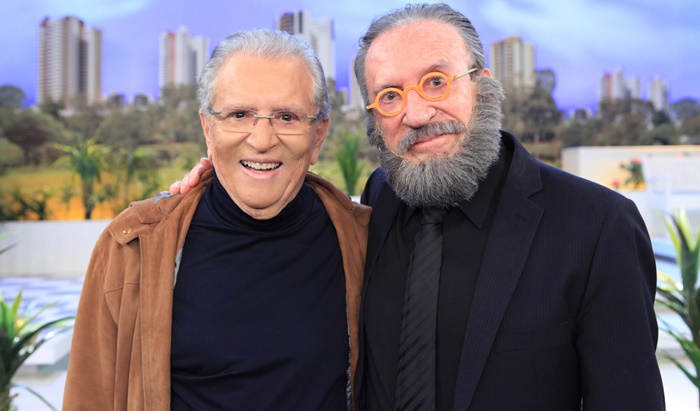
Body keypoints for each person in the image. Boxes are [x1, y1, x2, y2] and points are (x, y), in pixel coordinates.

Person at [172, 3, 665, 410]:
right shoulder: (379, 201)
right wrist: (224, 170)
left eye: (436, 82)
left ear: (483, 84)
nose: (417, 113)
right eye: (389, 96)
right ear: (373, 118)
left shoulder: (597, 227)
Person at [63, 28, 370, 411]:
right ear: (208, 128)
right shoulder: (132, 246)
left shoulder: (367, 242)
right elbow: (89, 398)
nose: (261, 139)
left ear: (318, 134)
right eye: (239, 114)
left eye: (286, 117)